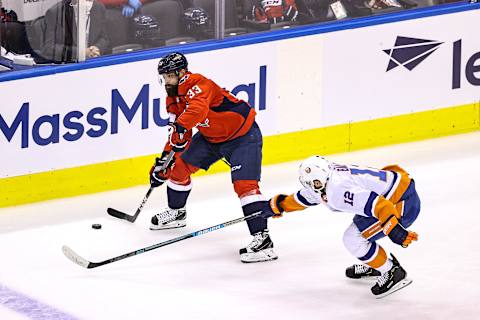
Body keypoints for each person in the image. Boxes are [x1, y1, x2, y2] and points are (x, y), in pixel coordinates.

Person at [149, 52, 277, 263]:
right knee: (178, 167)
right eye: (163, 77)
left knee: (245, 185)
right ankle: (176, 213)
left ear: (181, 72)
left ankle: (262, 239)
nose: (166, 81)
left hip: (243, 136)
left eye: (169, 76)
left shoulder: (199, 83)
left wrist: (182, 126)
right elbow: (177, 133)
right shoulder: (172, 97)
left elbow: (197, 111)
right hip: (211, 139)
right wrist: (165, 160)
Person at [261, 155, 420, 298]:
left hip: (401, 204)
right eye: (312, 184)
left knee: (353, 239)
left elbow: (381, 206)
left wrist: (394, 229)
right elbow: (307, 196)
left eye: (316, 183)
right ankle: (377, 264)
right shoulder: (327, 176)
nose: (315, 186)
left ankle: (392, 271)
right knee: (357, 234)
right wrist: (278, 205)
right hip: (394, 192)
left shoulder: (338, 191)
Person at [40, 0, 109, 63]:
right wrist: (81, 52)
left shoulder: (98, 7)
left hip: (93, 61)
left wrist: (97, 48)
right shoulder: (55, 13)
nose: (88, 2)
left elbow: (104, 38)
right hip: (68, 65)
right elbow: (48, 48)